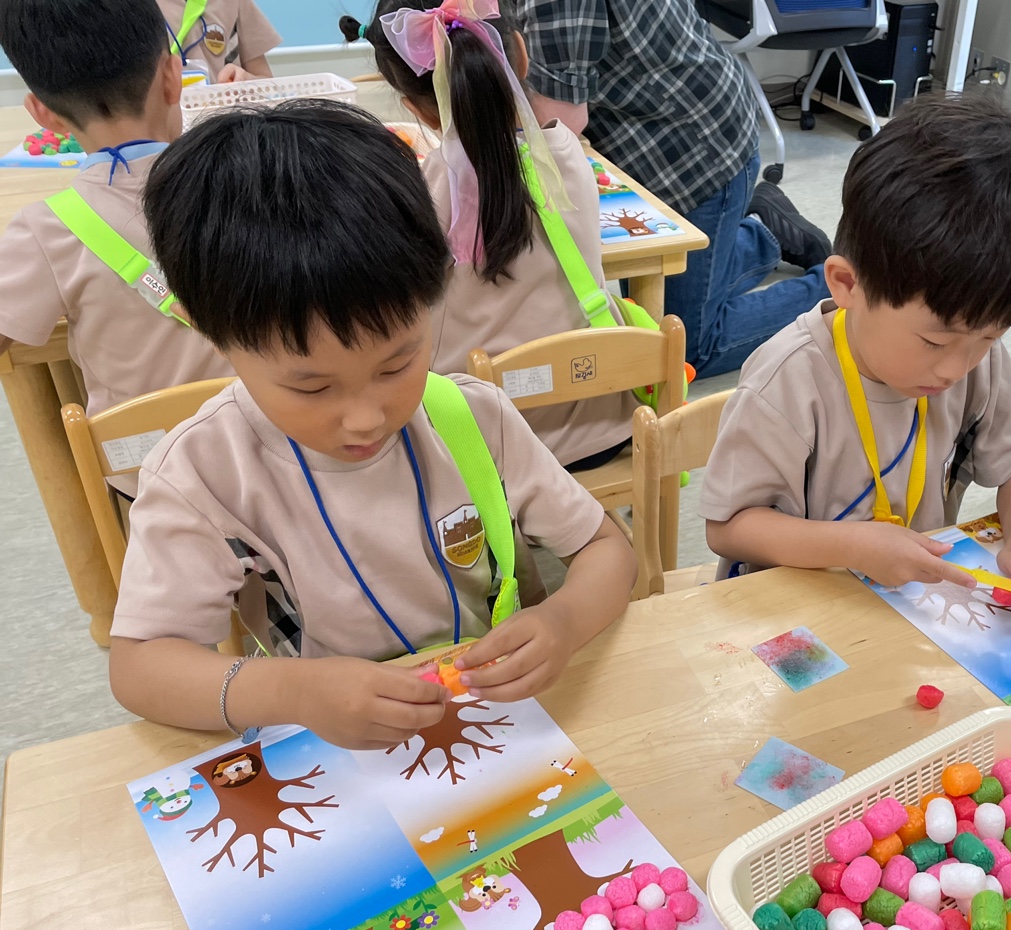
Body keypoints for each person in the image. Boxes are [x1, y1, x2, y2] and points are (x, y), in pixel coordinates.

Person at [108, 101, 636, 750]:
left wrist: (562, 620)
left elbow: (606, 549)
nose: (365, 418)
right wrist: (294, 694)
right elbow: (138, 667)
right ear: (201, 323)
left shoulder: (470, 417)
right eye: (311, 385)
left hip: (492, 723)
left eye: (397, 364)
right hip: (333, 740)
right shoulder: (205, 472)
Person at [702, 94, 1011, 617]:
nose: (956, 368)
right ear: (848, 284)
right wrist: (854, 544)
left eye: (990, 337)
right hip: (793, 613)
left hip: (907, 611)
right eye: (935, 342)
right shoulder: (788, 379)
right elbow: (729, 526)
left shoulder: (973, 357)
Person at [340, 0, 634, 470]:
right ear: (521, 54)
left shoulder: (416, 195)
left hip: (475, 447)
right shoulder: (569, 158)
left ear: (416, 107)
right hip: (599, 428)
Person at [508, 0, 831, 378]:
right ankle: (762, 234)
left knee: (682, 347)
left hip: (694, 153)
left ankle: (837, 287)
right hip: (681, 125)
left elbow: (559, 121)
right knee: (646, 306)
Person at [0, 0, 231, 424]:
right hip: (279, 451)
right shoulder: (246, 178)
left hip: (149, 477)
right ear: (172, 77)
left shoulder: (45, 230)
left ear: (42, 113)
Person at [156, 0, 280, 84]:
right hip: (163, 117)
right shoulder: (140, 6)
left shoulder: (233, 3)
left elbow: (266, 81)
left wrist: (245, 80)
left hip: (222, 117)